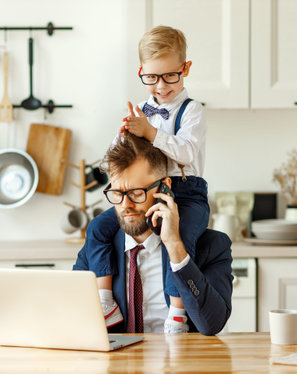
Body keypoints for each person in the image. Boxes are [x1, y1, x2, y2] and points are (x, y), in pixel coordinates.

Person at [83, 25, 210, 333]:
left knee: (178, 241)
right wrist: (124, 135)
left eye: (170, 76)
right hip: (145, 193)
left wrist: (151, 133)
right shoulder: (142, 110)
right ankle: (105, 301)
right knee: (98, 227)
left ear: (185, 69)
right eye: (151, 77)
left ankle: (177, 312)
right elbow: (117, 158)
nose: (161, 86)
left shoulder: (192, 111)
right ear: (141, 72)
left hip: (185, 194)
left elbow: (188, 152)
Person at [74, 134, 232, 334]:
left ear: (164, 187)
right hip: (118, 364)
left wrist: (175, 247)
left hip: (182, 364)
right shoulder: (97, 248)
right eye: (117, 193)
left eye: (136, 193)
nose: (125, 205)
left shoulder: (212, 246)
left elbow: (212, 325)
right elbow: (74, 317)